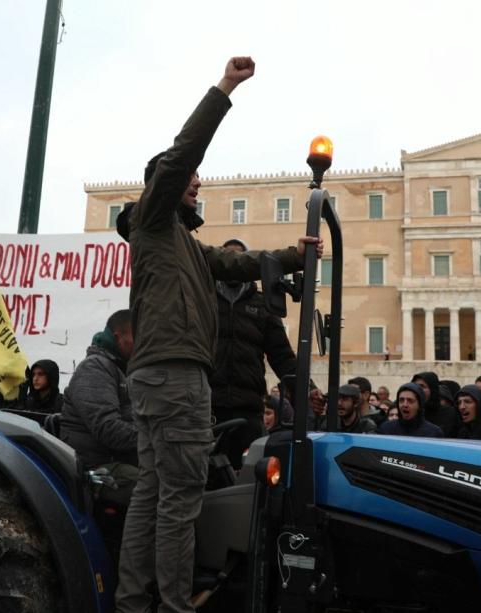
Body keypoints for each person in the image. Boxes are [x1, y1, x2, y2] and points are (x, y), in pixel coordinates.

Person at [114, 56, 322, 613]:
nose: (197, 186)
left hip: (164, 377)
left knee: (154, 495)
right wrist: (224, 88)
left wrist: (292, 254)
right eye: (191, 182)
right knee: (180, 501)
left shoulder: (183, 244)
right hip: (176, 376)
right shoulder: (153, 222)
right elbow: (185, 150)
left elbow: (237, 265)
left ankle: (133, 603)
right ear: (167, 183)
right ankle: (175, 607)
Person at [210, 237, 298, 469]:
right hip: (208, 408)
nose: (234, 263)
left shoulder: (262, 305)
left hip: (248, 409)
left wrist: (305, 391)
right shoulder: (204, 300)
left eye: (241, 258)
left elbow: (282, 355)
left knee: (248, 478)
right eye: (229, 258)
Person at [59, 310, 138, 502]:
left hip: (117, 458)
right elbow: (107, 428)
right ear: (119, 337)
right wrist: (156, 439)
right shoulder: (95, 368)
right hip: (96, 468)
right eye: (137, 336)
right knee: (160, 488)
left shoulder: (121, 369)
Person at [378, 383, 443, 438]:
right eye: (401, 400)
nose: (405, 404)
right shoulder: (386, 429)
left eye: (410, 401)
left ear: (419, 405)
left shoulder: (433, 433)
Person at [412, 371, 459, 437]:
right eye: (415, 386)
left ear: (432, 389)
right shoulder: (411, 413)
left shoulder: (450, 414)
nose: (418, 389)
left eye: (422, 386)